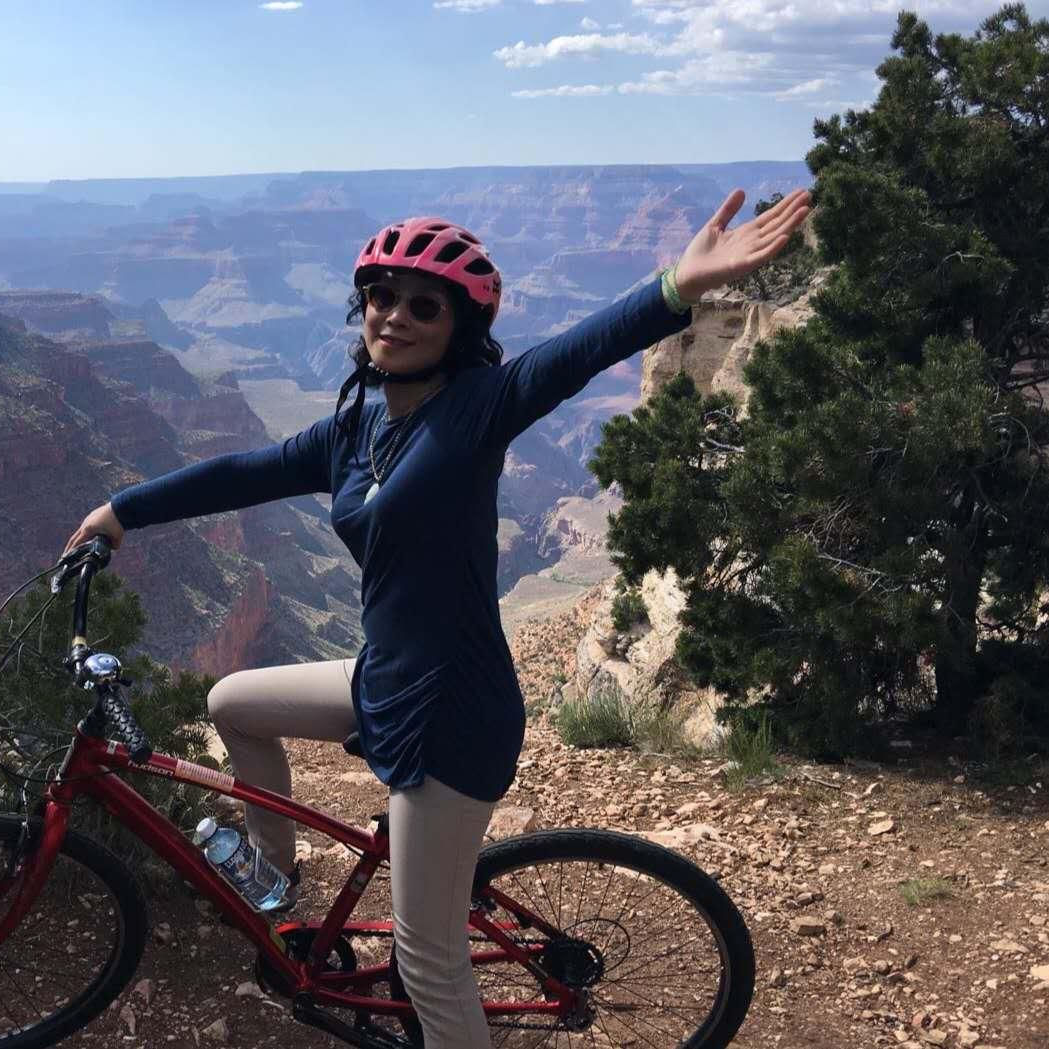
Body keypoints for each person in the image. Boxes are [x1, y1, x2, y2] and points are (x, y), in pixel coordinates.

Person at [64, 187, 811, 1047]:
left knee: (426, 957)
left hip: (450, 712)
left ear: (459, 326)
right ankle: (273, 880)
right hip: (384, 677)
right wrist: (120, 511)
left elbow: (577, 352)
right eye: (381, 296)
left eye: (425, 306)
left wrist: (678, 284)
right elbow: (242, 471)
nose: (395, 315)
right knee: (232, 702)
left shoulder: (476, 407)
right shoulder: (354, 429)